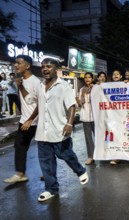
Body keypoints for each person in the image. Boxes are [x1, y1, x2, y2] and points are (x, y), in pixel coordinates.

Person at [35, 58, 88, 202]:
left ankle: (80, 170)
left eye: (49, 66)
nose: (45, 69)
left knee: (66, 155)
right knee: (46, 162)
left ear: (56, 68)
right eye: (43, 67)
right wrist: (29, 120)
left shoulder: (63, 85)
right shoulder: (40, 86)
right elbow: (38, 106)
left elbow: (71, 105)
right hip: (43, 132)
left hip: (60, 129)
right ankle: (51, 189)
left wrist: (70, 124)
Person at [3, 55, 41, 184]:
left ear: (28, 66)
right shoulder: (20, 81)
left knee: (46, 147)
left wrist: (30, 120)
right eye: (15, 63)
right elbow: (26, 102)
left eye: (19, 63)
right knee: (20, 145)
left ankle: (48, 171)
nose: (16, 65)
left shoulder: (36, 82)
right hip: (24, 120)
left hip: (36, 121)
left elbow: (40, 104)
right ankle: (20, 174)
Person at [76, 72, 95, 165]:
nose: (87, 79)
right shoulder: (81, 90)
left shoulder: (96, 88)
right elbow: (80, 105)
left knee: (99, 137)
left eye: (89, 77)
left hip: (96, 117)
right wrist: (78, 101)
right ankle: (91, 156)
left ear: (92, 79)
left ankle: (102, 154)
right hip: (85, 117)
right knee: (88, 138)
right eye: (86, 77)